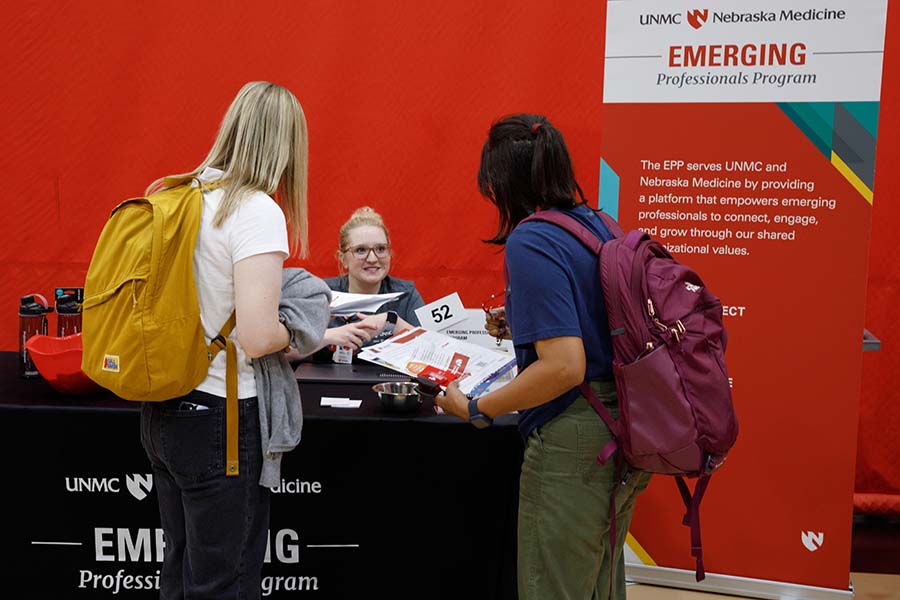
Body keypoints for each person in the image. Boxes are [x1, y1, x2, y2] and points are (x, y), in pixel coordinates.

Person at [435, 114, 651, 600]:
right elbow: (601, 322)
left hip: (575, 436)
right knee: (600, 584)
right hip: (627, 427)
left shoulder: (532, 239)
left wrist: (475, 407)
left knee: (552, 587)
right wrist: (525, 322)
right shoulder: (599, 225)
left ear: (500, 182)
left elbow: (565, 366)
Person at [139, 81, 310, 600]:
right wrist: (302, 326)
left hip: (164, 408)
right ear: (285, 145)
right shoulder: (256, 210)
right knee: (224, 585)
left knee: (181, 571)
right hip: (223, 418)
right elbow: (258, 337)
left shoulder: (176, 194)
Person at [317, 206, 425, 355]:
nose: (373, 259)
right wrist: (328, 336)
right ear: (343, 259)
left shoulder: (406, 296)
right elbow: (286, 352)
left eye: (380, 249)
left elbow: (434, 353)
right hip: (324, 378)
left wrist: (392, 323)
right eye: (361, 250)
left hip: (388, 379)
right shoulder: (322, 293)